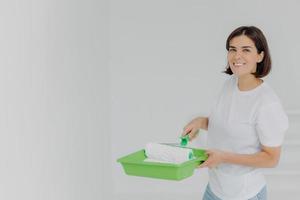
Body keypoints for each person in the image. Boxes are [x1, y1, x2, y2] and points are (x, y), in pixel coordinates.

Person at [182, 26, 289, 200]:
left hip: (245, 194)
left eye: (246, 50)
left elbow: (271, 158)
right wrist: (201, 122)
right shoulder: (230, 84)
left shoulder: (267, 103)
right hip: (215, 189)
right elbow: (229, 124)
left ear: (260, 56)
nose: (237, 56)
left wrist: (223, 157)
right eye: (232, 49)